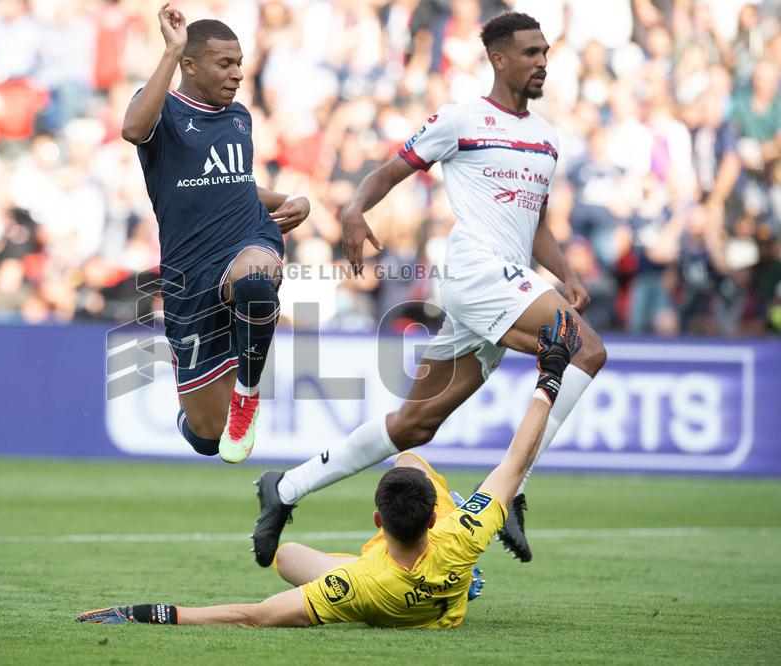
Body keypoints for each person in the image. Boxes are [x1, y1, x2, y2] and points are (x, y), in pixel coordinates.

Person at [252, 12, 606, 565]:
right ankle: (508, 489)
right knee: (584, 349)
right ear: (499, 58)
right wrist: (352, 209)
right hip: (473, 270)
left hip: (510, 279)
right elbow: (389, 172)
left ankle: (286, 487)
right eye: (531, 52)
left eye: (545, 52)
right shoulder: (461, 119)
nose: (542, 62)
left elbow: (535, 222)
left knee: (416, 423)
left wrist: (570, 275)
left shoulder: (546, 137)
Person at [75, 311, 581, 628]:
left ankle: (290, 487)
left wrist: (150, 613)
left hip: (383, 590)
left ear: (378, 524)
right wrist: (551, 374)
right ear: (434, 518)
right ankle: (464, 579)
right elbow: (516, 460)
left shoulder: (359, 585)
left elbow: (254, 617)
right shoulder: (460, 537)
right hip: (444, 579)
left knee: (290, 556)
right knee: (413, 459)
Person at [121, 5, 310, 463]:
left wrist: (291, 199)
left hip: (248, 240)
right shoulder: (160, 110)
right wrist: (171, 49)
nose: (239, 74)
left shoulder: (240, 117)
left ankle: (248, 394)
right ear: (190, 65)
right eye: (225, 63)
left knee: (257, 283)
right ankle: (205, 413)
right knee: (208, 438)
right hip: (190, 273)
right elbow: (131, 129)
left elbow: (236, 186)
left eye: (240, 63)